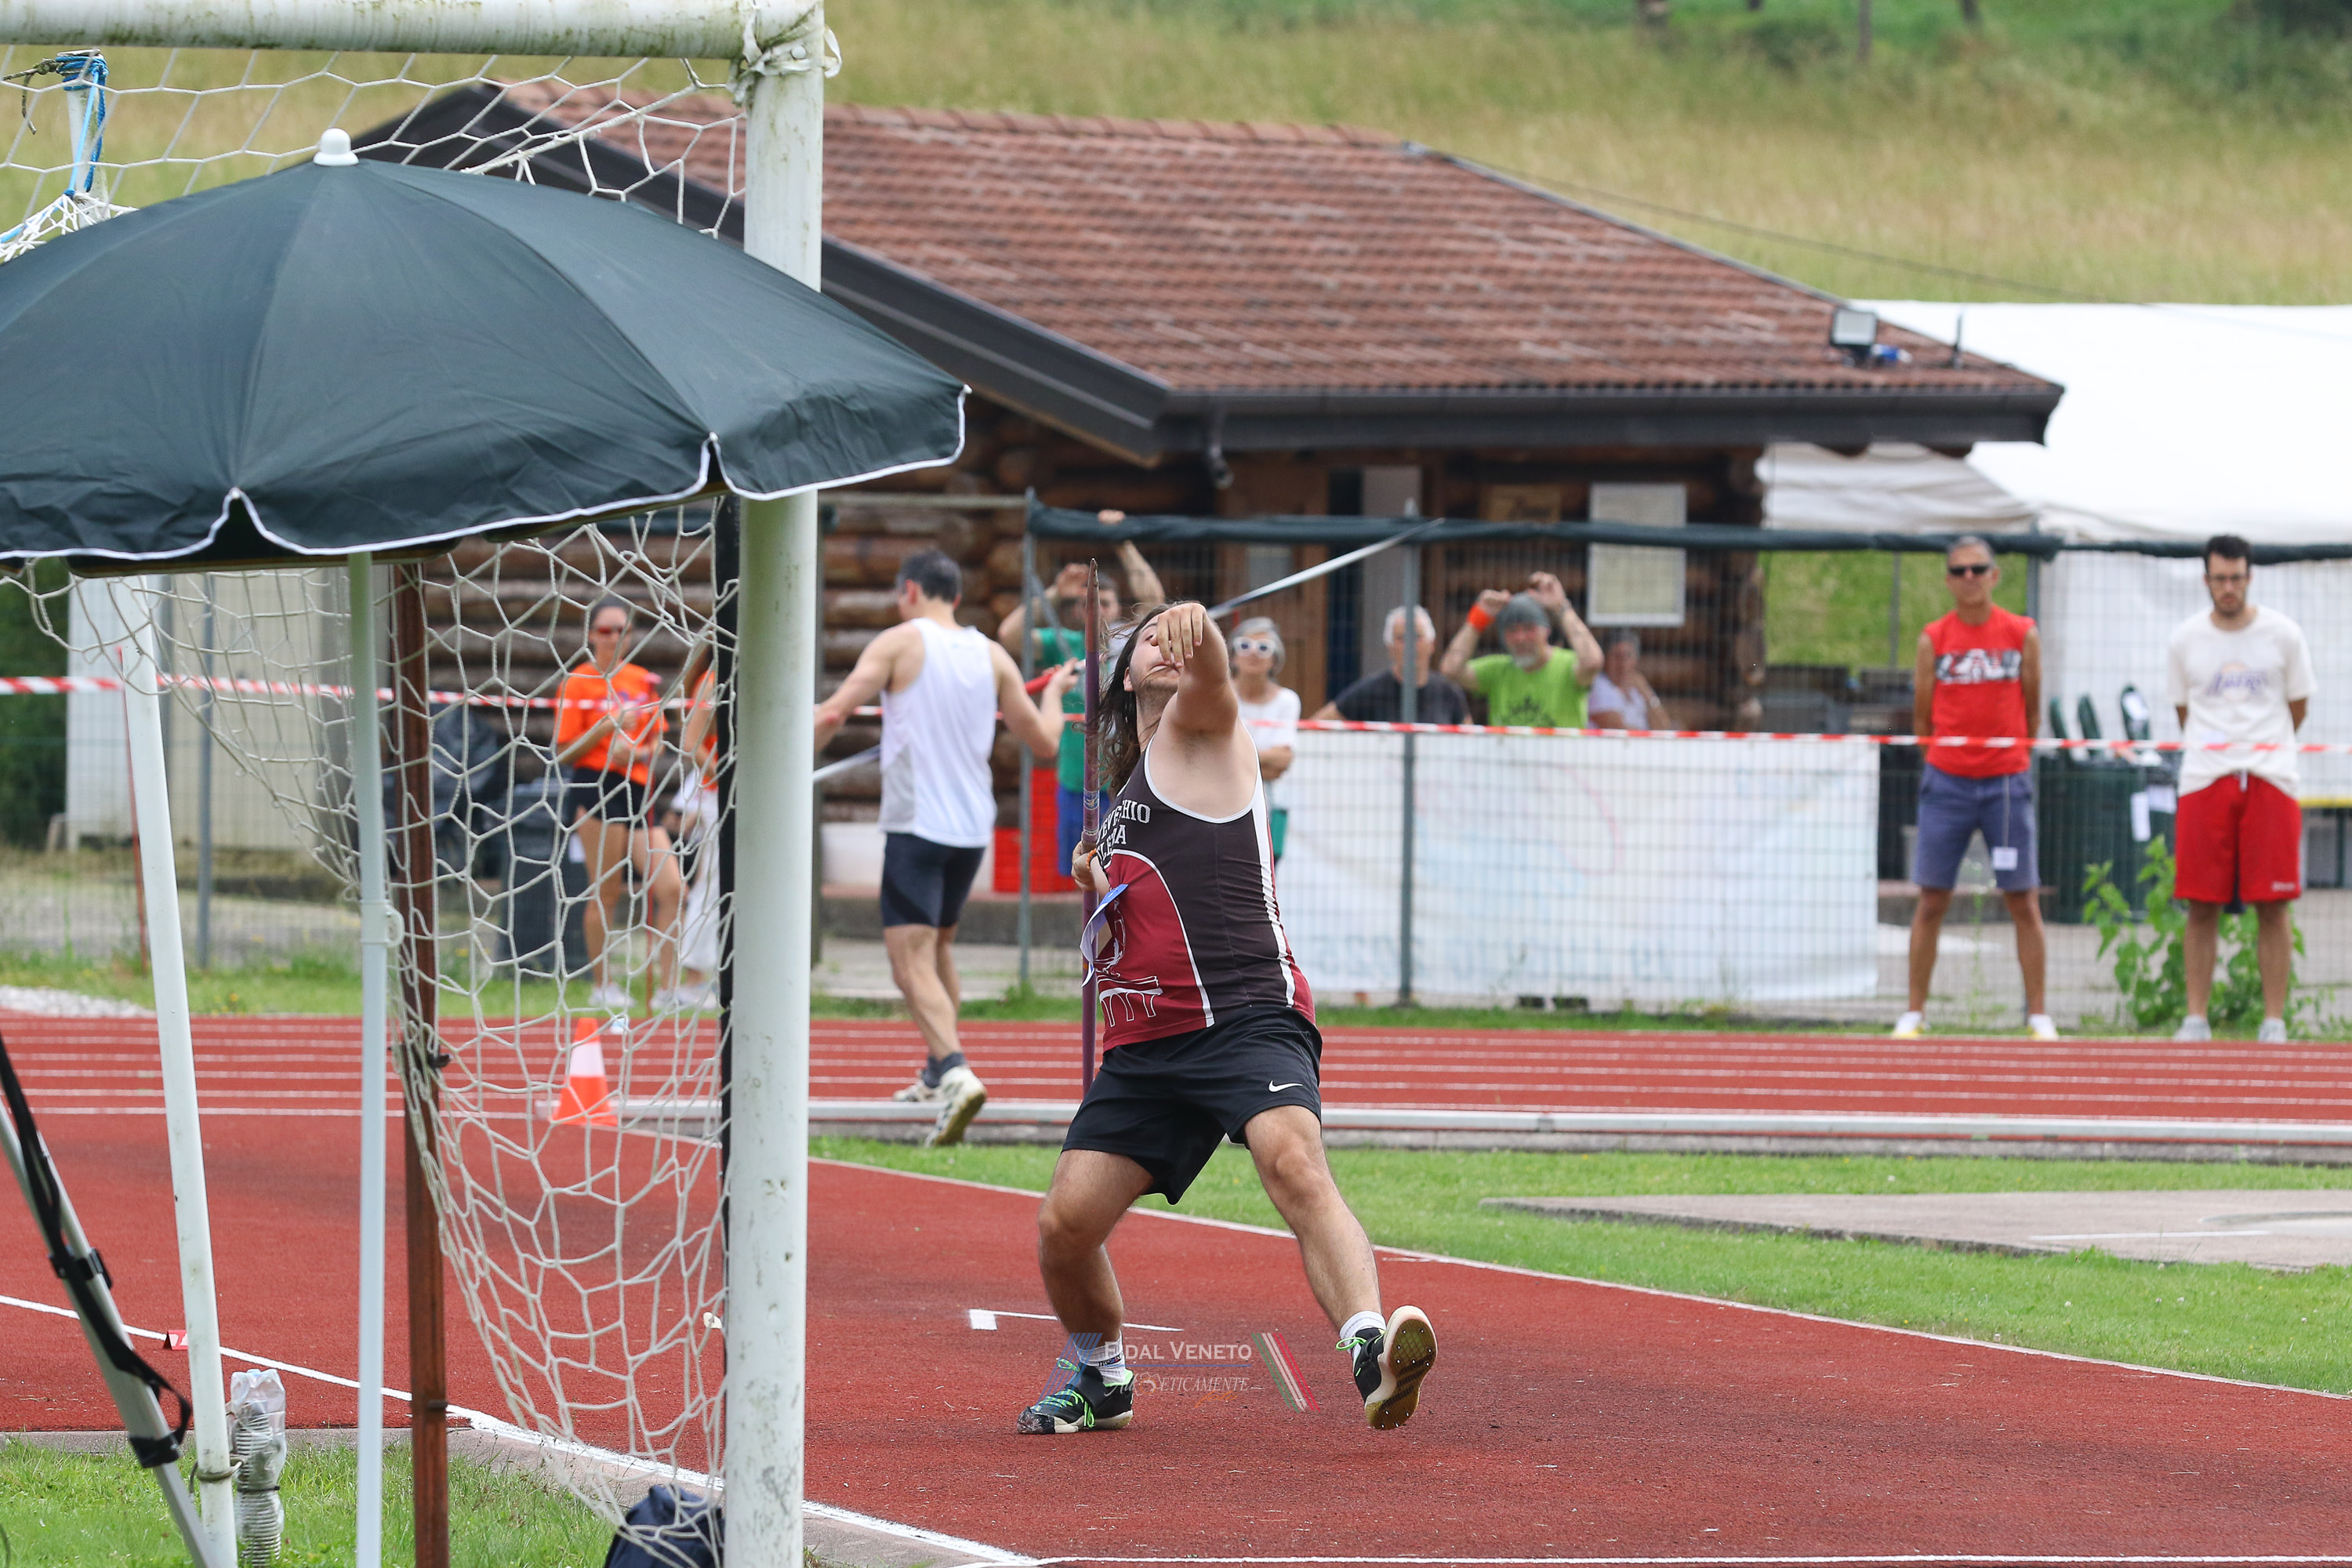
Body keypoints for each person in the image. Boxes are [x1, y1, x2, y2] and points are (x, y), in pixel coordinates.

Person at [1022, 599, 1435, 1436]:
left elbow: (1209, 670)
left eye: (1167, 631)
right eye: (1147, 639)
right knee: (1065, 1225)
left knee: (1293, 1159)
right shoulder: (1127, 791)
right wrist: (1096, 881)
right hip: (1146, 1045)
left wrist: (1198, 626)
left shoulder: (1201, 728)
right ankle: (1101, 1377)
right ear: (1122, 677)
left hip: (1245, 1011)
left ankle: (1370, 1349)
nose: (1164, 644)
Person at [816, 548, 1078, 1145]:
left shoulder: (899, 643)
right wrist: (1057, 692)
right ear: (957, 597)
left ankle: (956, 1071)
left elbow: (834, 713)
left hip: (917, 825)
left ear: (909, 590)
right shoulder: (992, 655)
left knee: (909, 962)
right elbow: (1044, 741)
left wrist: (771, 757)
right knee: (936, 952)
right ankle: (938, 1072)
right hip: (970, 830)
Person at [1895, 537, 2054, 1041]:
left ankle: (2038, 1014)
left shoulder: (2022, 633)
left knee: (2022, 899)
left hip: (2006, 782)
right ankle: (1915, 1012)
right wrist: (1944, 761)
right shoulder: (1933, 638)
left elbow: (2033, 707)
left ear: (1994, 575)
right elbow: (1922, 716)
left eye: (1978, 569)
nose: (1970, 578)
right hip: (1947, 782)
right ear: (1948, 579)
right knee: (1932, 899)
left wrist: (2013, 757)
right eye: (1960, 571)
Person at [2166, 535, 2315, 1045]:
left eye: (2236, 578)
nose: (2228, 587)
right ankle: (2195, 1018)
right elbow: (2183, 710)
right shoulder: (2185, 639)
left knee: (2273, 904)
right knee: (2200, 902)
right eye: (2219, 579)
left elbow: (2298, 706)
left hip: (2271, 777)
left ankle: (2273, 1021)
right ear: (2205, 580)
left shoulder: (2284, 634)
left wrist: (2262, 749)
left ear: (2250, 578)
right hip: (2205, 778)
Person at [997, 546, 1168, 874]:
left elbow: (1155, 602)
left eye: (1105, 603)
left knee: (1123, 870)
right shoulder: (1065, 644)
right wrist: (1054, 593)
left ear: (1117, 608)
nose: (1097, 611)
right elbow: (1010, 636)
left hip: (1126, 778)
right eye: (1088, 603)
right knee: (1081, 872)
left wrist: (1124, 545)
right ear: (1077, 610)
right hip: (1076, 781)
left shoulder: (1132, 646)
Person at [554, 596, 686, 1013]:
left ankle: (668, 987)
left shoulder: (640, 680)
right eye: (606, 630)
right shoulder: (578, 681)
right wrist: (604, 732)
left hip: (637, 788)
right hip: (595, 788)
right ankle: (603, 984)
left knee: (672, 887)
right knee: (606, 891)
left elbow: (658, 739)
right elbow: (563, 751)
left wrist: (639, 752)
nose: (615, 638)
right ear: (591, 634)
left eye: (623, 631)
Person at [1437, 570, 1601, 728]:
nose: (1520, 638)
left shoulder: (1567, 666)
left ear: (1546, 630)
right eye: (1512, 630)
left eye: (1529, 628)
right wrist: (1478, 618)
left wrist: (1562, 608)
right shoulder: (1498, 670)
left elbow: (1592, 663)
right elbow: (1451, 669)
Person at [1312, 605, 1468, 725]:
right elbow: (1316, 725)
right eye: (1401, 638)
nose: (1410, 646)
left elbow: (1470, 741)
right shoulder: (1369, 691)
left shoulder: (1449, 693)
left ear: (1432, 644)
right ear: (1390, 647)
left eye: (1417, 637)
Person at [1229, 616, 1299, 865]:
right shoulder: (1219, 696)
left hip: (1268, 809)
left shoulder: (1287, 700)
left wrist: (1231, 758)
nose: (1253, 653)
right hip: (1220, 807)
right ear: (1233, 656)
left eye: (1263, 648)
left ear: (1275, 660)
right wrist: (1262, 760)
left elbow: (1281, 763)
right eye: (1244, 646)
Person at [1588, 630, 1673, 731]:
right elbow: (1618, 729)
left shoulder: (1638, 687)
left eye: (1628, 655)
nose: (1623, 663)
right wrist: (1650, 736)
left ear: (1636, 659)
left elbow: (1664, 728)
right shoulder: (1598, 685)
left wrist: (1649, 696)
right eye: (1617, 656)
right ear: (1605, 659)